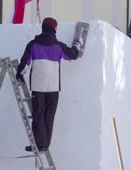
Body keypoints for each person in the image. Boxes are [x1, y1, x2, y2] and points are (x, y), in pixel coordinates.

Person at [16, 17, 82, 152]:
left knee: (38, 115)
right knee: (49, 116)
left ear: (43, 28)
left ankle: (39, 144)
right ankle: (45, 145)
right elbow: (72, 55)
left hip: (37, 86)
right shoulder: (59, 46)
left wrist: (19, 75)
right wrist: (77, 45)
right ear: (54, 29)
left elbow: (24, 65)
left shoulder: (33, 45)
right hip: (53, 87)